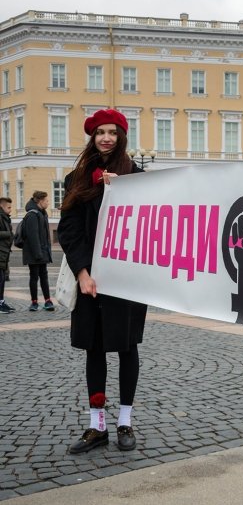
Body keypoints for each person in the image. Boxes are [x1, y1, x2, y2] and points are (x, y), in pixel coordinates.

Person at [57, 108, 147, 454]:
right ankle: (97, 426)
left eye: (112, 132)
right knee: (93, 348)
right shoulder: (76, 179)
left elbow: (149, 229)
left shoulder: (137, 177)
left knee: (126, 347)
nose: (106, 138)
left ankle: (125, 421)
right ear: (92, 137)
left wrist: (121, 191)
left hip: (127, 280)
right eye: (99, 133)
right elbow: (69, 230)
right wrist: (83, 274)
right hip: (90, 279)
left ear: (121, 136)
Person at [22, 190, 55, 311]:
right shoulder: (32, 215)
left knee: (44, 276)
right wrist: (38, 254)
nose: (48, 203)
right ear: (40, 201)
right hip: (35, 253)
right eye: (46, 200)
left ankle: (47, 300)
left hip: (42, 252)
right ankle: (34, 302)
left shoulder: (42, 213)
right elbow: (32, 236)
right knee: (34, 277)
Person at [0, 197, 15, 313]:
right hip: (1, 253)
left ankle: (2, 302)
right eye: (9, 207)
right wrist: (9, 234)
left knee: (2, 279)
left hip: (4, 253)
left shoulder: (5, 218)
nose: (11, 210)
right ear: (2, 207)